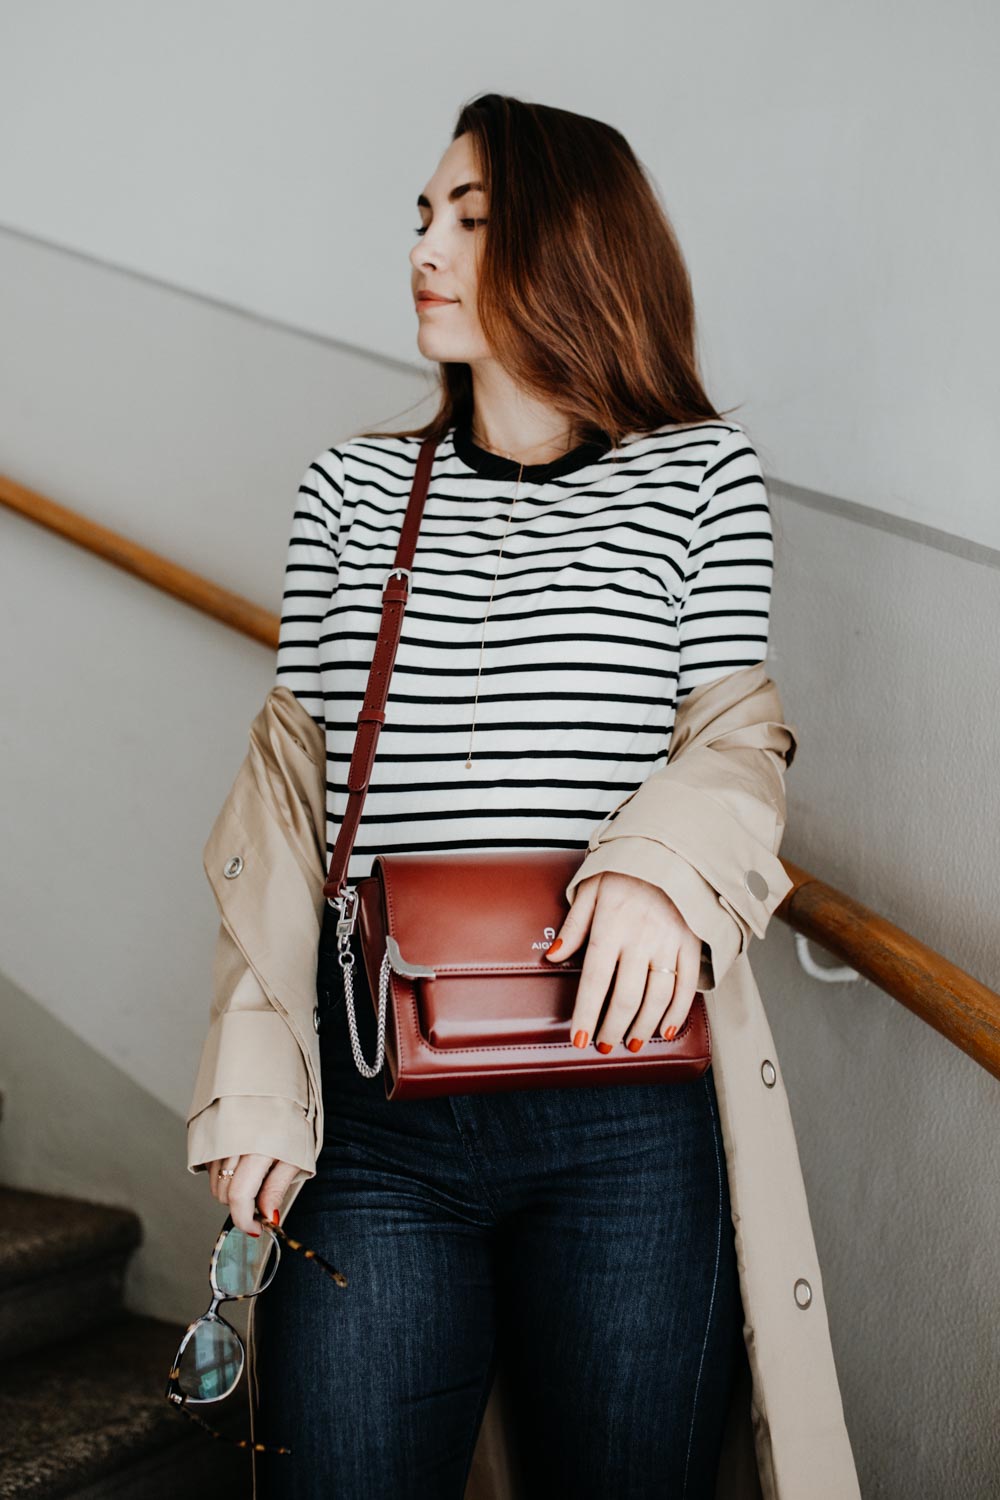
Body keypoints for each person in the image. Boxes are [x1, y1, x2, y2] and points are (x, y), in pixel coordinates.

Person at [204, 92, 783, 1498]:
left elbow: (736, 744)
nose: (427, 245)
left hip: (625, 1101)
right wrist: (255, 1087)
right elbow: (286, 813)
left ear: (574, 245)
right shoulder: (349, 490)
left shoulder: (702, 476)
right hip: (380, 1110)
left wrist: (657, 868)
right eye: (423, 216)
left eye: (471, 217)